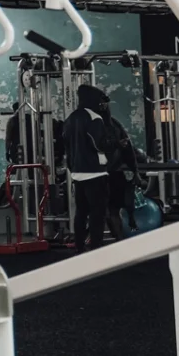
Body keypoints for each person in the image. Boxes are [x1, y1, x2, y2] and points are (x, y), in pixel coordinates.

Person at [64, 84, 120, 252]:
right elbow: (100, 145)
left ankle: (79, 248)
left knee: (81, 213)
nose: (103, 105)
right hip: (95, 173)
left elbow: (66, 145)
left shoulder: (71, 118)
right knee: (97, 213)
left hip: (77, 173)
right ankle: (96, 247)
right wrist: (115, 141)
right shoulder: (95, 118)